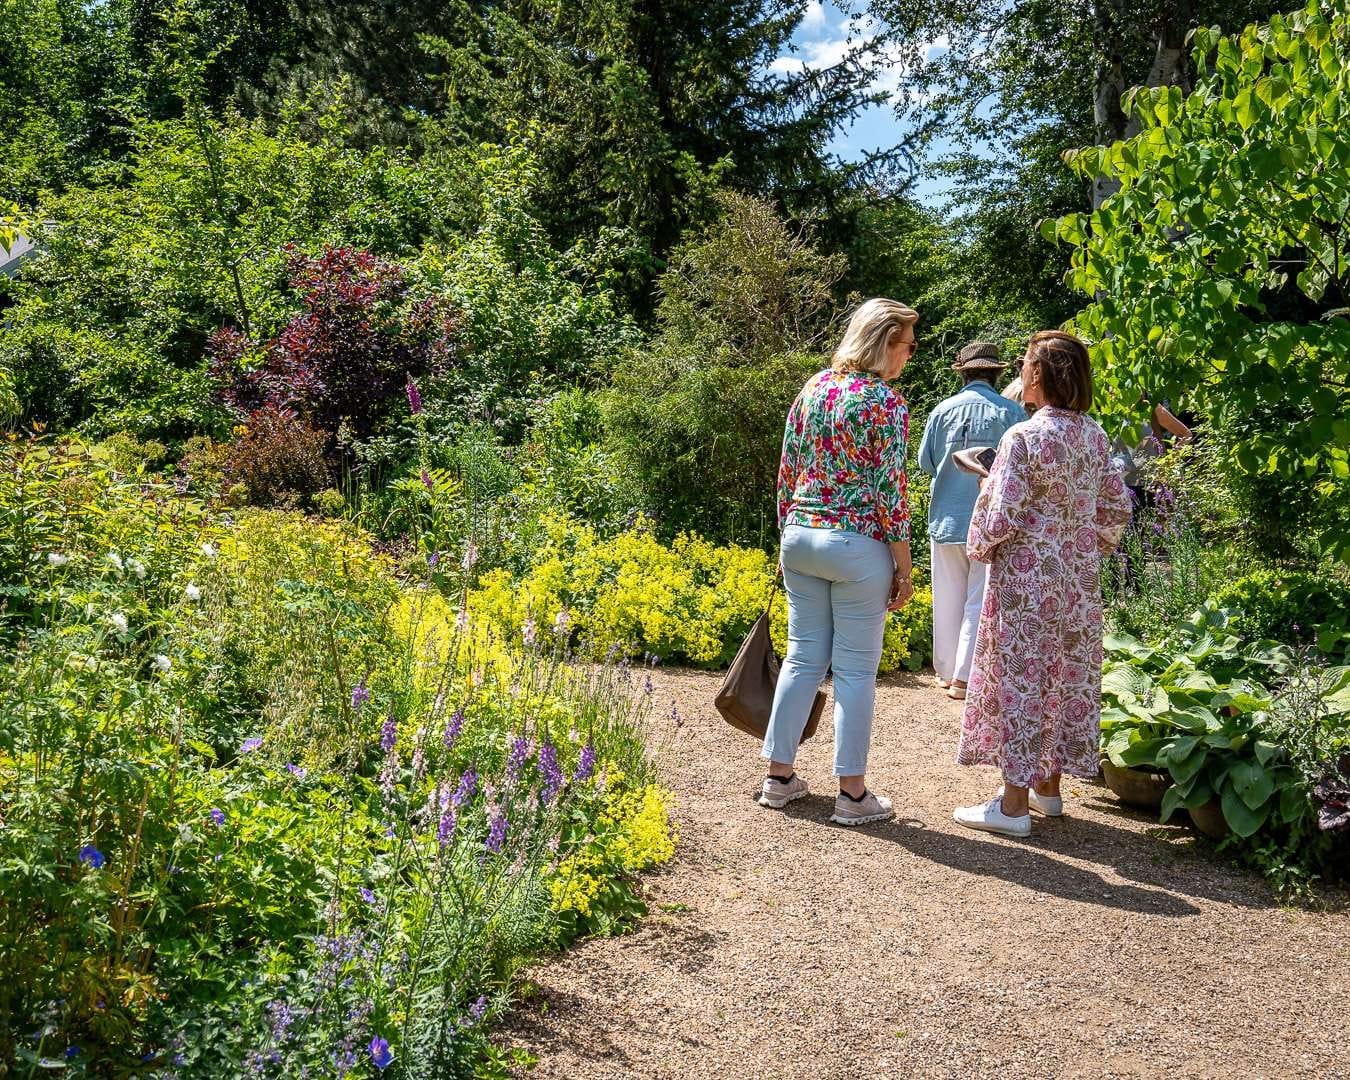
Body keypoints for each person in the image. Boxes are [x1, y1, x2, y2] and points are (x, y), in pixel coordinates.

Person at [953, 331, 1132, 838]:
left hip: (1027, 582)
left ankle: (1012, 806)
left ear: (1040, 375)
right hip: (1076, 582)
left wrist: (985, 494)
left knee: (1023, 680)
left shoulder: (1023, 438)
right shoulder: (1093, 435)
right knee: (1062, 676)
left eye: (1027, 365)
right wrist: (1081, 541)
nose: (1022, 372)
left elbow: (1001, 516)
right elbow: (1117, 506)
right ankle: (1048, 789)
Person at [760, 298, 917, 827]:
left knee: (803, 658)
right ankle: (851, 794)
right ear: (882, 344)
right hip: (857, 543)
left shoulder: (815, 389)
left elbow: (788, 470)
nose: (909, 357)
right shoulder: (886, 405)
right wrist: (904, 564)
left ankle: (778, 777)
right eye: (906, 346)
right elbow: (890, 492)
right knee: (854, 671)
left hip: (802, 534)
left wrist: (788, 534)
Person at [918, 342, 1026, 701]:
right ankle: (965, 676)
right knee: (979, 597)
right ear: (997, 373)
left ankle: (947, 671)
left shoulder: (942, 410)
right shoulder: (1012, 413)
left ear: (962, 371)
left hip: (947, 514)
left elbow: (927, 463)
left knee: (946, 595)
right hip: (990, 517)